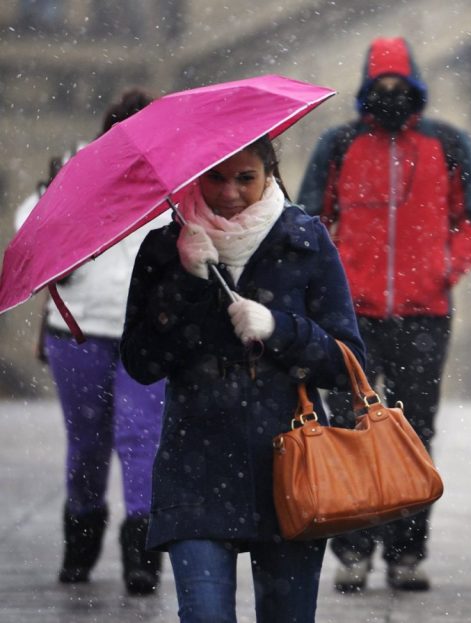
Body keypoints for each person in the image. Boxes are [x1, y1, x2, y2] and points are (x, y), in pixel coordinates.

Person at [120, 135, 365, 622]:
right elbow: (141, 362)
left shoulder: (305, 239)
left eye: (245, 178)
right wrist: (190, 283)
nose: (229, 192)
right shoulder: (166, 246)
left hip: (291, 466)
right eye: (216, 177)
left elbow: (346, 363)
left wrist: (280, 330)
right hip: (196, 467)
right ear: (196, 176)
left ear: (268, 174)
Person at [298, 36, 471, 592]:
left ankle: (406, 555)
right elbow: (311, 222)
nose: (389, 95)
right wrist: (330, 283)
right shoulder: (338, 146)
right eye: (380, 85)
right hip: (350, 319)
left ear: (415, 87)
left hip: (424, 314)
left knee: (413, 433)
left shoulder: (447, 145)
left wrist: (440, 271)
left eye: (398, 86)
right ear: (365, 88)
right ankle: (353, 552)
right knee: (348, 432)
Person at [29, 88, 169, 595]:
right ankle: (81, 547)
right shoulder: (74, 171)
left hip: (145, 334)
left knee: (142, 441)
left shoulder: (176, 181)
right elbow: (32, 228)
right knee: (88, 445)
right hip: (79, 333)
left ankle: (142, 556)